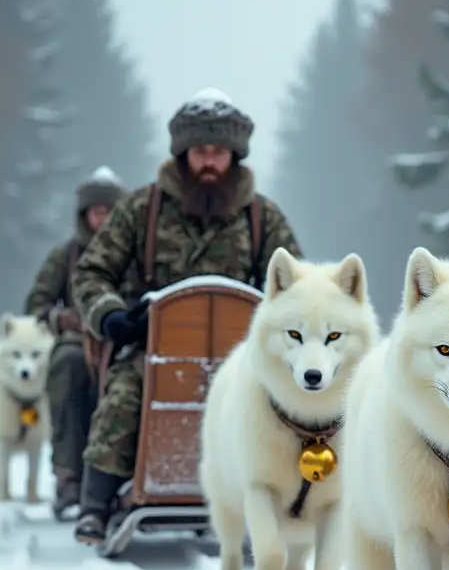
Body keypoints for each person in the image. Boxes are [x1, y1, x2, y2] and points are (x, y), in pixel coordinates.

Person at [70, 89, 302, 545]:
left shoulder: (262, 217)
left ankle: (286, 501)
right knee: (124, 394)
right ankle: (95, 504)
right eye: (201, 151)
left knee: (288, 408)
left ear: (234, 155)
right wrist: (112, 315)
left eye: (218, 152)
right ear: (183, 154)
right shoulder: (142, 210)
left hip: (242, 357)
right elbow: (91, 272)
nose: (210, 162)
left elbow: (296, 284)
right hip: (153, 347)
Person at [22, 166, 125, 519]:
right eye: (97, 211)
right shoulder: (66, 256)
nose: (103, 218)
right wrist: (63, 319)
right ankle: (68, 476)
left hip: (125, 338)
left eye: (110, 211)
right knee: (67, 369)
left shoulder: (135, 252)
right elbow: (37, 303)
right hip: (78, 341)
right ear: (85, 214)